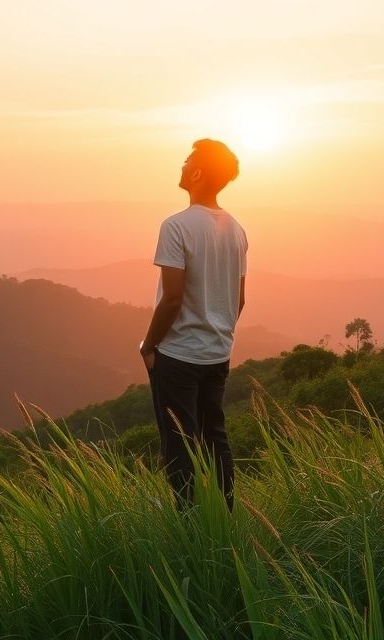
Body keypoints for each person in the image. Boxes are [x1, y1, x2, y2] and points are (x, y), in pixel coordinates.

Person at [140, 138, 248, 512]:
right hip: (218, 353)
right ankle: (225, 518)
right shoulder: (236, 229)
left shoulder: (176, 227)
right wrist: (218, 336)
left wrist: (148, 346)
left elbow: (171, 298)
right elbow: (239, 300)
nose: (183, 166)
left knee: (179, 443)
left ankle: (189, 526)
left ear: (198, 172)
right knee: (215, 437)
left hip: (179, 355)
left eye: (188, 161)